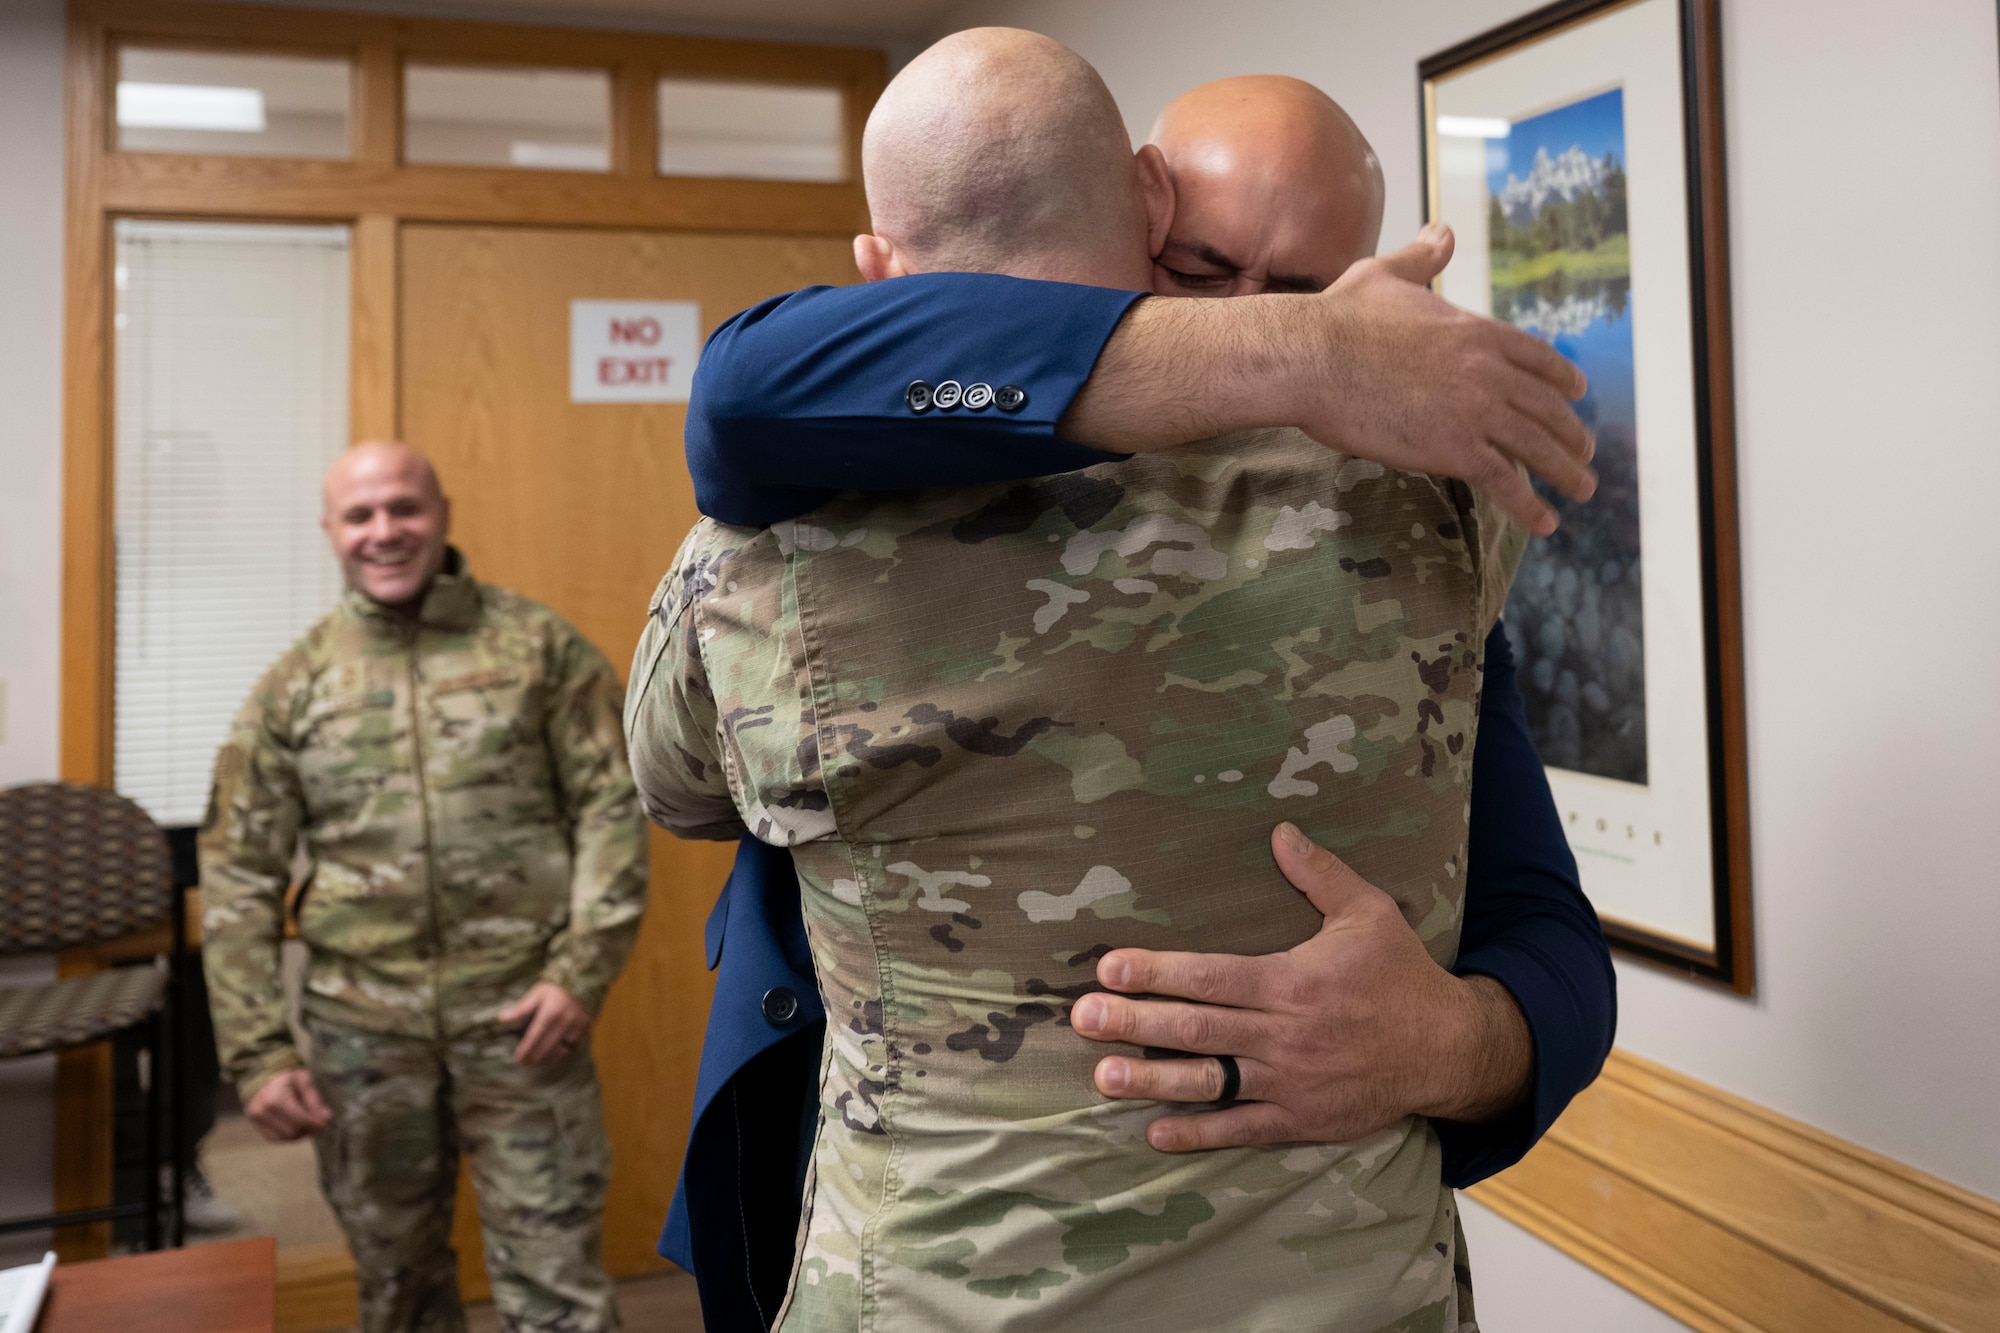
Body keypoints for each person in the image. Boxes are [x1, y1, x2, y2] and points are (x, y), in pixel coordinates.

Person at [631, 31, 1585, 1330]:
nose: (1246, 325)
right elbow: (747, 394)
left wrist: (1466, 1042)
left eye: (1299, 295)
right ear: (1148, 214)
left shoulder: (753, 558)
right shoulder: (1440, 516)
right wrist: (1302, 351)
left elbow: (1537, 909)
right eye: (1205, 275)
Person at [200, 441, 647, 1333]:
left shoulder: (540, 650)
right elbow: (238, 872)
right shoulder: (296, 685)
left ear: (441, 512)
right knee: (397, 1288)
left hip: (524, 1023)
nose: (384, 531)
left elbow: (612, 806)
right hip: (364, 1037)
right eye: (360, 515)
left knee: (557, 1284)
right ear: (330, 531)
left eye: (403, 507)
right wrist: (258, 1048)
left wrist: (582, 969)